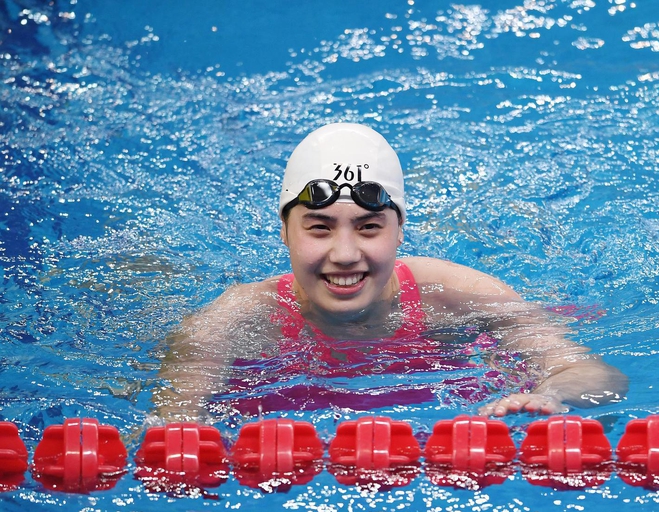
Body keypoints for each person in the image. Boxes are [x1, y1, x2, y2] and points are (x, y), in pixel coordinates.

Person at [154, 123, 627, 423]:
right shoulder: (231, 323)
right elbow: (174, 419)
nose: (345, 254)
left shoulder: (462, 296)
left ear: (399, 231)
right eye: (319, 228)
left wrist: (549, 394)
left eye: (369, 227)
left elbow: (591, 373)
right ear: (284, 231)